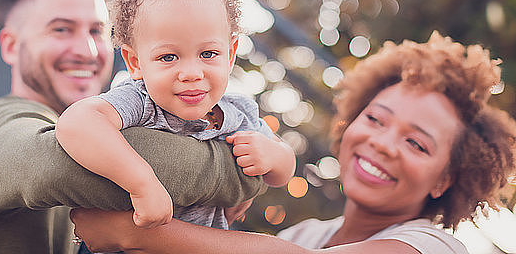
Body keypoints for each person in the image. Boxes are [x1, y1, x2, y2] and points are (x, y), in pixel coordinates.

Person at [0, 0, 265, 254]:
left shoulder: (114, 128)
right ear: (10, 46)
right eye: (61, 30)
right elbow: (57, 163)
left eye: (97, 31)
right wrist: (245, 170)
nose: (86, 50)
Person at [70, 31, 516, 254]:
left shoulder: (433, 245)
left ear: (445, 180)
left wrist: (135, 231)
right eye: (376, 119)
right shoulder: (307, 235)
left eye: (417, 144)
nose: (383, 144)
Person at [56, 0, 296, 230]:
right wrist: (141, 183)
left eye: (208, 53)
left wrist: (273, 156)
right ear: (136, 63)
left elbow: (283, 170)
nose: (192, 73)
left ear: (230, 55)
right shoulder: (141, 101)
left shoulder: (238, 112)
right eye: (169, 57)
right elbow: (76, 123)